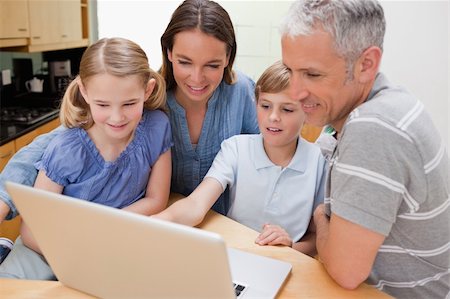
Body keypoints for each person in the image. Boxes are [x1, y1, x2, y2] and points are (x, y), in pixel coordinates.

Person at [0, 0, 258, 224]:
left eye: (212, 65)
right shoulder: (143, 100)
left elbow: (270, 155)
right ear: (168, 53)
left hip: (227, 227)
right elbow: (46, 148)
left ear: (228, 57)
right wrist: (3, 199)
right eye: (184, 62)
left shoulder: (243, 92)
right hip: (159, 227)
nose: (197, 78)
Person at [280, 0, 449, 298]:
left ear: (366, 64)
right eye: (289, 70)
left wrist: (321, 215)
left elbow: (346, 271)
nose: (294, 92)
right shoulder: (389, 104)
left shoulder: (373, 127)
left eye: (313, 74)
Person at [0, 37, 172, 280]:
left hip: (115, 241)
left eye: (129, 103)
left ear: (148, 90)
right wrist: (77, 256)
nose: (117, 117)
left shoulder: (157, 127)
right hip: (48, 248)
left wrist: (104, 233)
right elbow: (32, 230)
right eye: (103, 104)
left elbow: (157, 199)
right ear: (84, 92)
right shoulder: (66, 149)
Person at [154, 61, 326, 256]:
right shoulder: (235, 148)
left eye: (287, 109)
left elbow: (315, 236)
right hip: (233, 256)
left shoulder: (320, 162)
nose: (273, 117)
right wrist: (150, 224)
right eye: (266, 106)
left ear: (307, 112)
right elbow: (195, 204)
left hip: (289, 262)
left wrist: (291, 247)